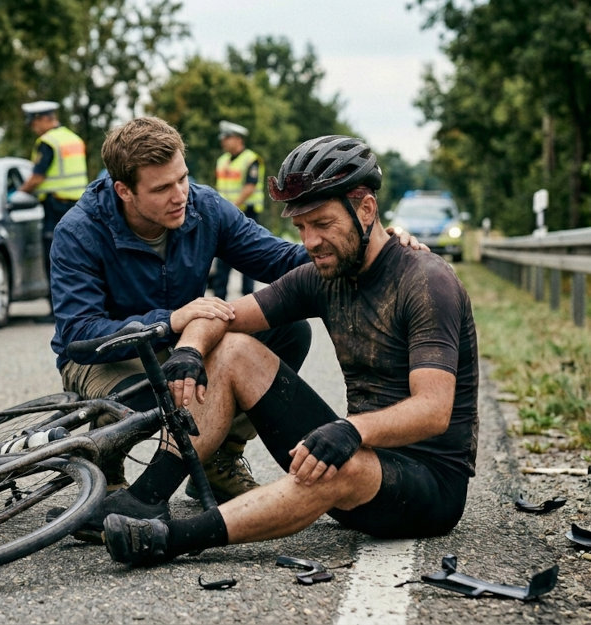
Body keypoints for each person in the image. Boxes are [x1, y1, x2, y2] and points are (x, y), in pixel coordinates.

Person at [99, 135, 479, 567]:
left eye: (322, 223)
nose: (311, 241)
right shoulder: (325, 274)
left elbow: (433, 410)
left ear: (366, 210)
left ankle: (168, 539)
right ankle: (145, 499)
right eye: (301, 228)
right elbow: (222, 314)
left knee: (341, 466)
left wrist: (352, 431)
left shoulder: (427, 282)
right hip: (352, 456)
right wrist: (189, 349)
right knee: (233, 349)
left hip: (426, 489)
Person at [50, 116, 315, 512]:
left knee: (289, 331)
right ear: (124, 190)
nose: (179, 196)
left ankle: (219, 458)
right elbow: (79, 334)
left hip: (180, 343)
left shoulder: (205, 207)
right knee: (152, 398)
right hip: (106, 355)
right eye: (161, 188)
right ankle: (105, 461)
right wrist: (169, 320)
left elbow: (280, 259)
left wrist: (367, 248)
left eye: (182, 178)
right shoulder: (79, 230)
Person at [17, 101, 88, 300]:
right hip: (79, 207)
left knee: (54, 256)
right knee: (77, 256)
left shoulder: (48, 142)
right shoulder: (74, 139)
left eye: (33, 123)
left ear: (42, 119)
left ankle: (56, 305)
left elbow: (37, 178)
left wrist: (18, 194)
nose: (33, 129)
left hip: (55, 207)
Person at [208, 121, 265, 299]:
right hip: (225, 215)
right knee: (222, 255)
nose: (223, 141)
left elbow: (250, 187)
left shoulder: (251, 159)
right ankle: (219, 297)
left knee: (249, 254)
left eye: (227, 138)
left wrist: (231, 206)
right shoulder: (222, 160)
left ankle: (249, 297)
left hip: (247, 213)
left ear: (238, 139)